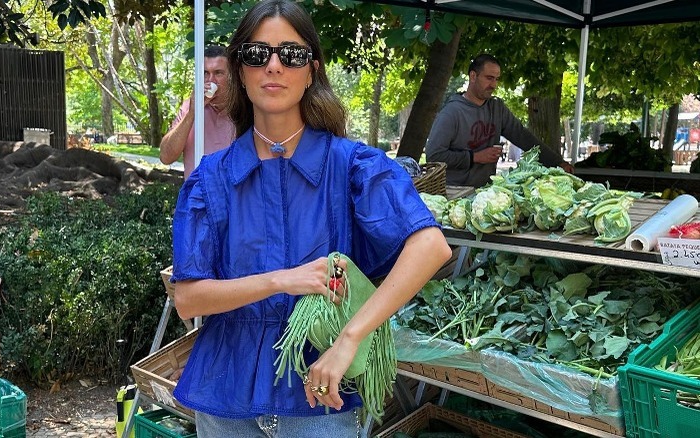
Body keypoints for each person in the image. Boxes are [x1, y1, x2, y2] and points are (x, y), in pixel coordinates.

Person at [168, 1, 452, 436]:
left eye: (291, 54)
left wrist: (351, 338)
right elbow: (188, 299)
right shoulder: (211, 179)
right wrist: (281, 280)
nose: (274, 66)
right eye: (257, 54)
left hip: (320, 399)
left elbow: (431, 246)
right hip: (226, 396)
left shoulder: (352, 165)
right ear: (240, 71)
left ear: (311, 70)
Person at [425, 54, 574, 188]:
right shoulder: (452, 112)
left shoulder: (497, 108)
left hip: (485, 190)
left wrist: (557, 162)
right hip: (454, 191)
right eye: (489, 78)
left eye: (497, 79)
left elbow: (522, 136)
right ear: (473, 76)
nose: (494, 85)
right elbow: (434, 156)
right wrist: (474, 157)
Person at [159, 45, 236, 179]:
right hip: (196, 191)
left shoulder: (244, 109)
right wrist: (192, 113)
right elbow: (166, 157)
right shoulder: (189, 107)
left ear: (231, 76)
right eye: (205, 73)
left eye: (218, 73)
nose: (210, 80)